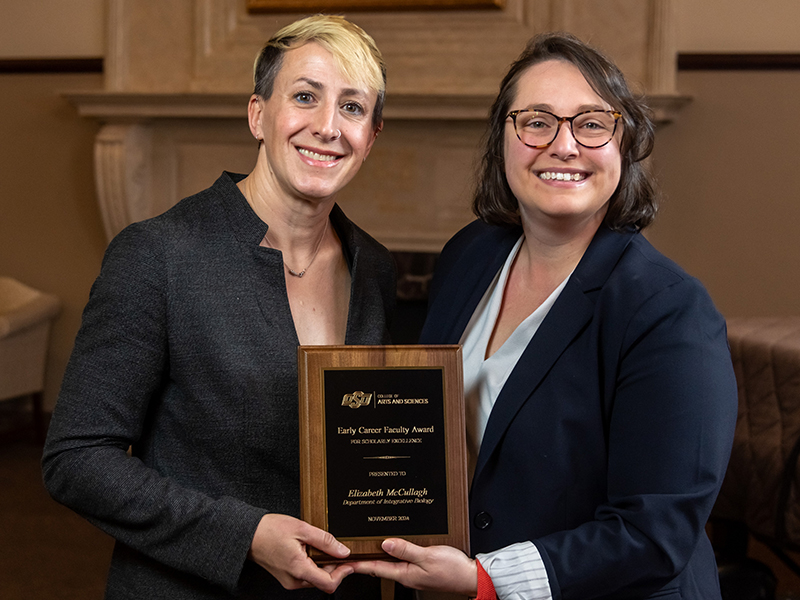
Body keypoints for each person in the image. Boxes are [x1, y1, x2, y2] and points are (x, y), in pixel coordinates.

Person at [351, 32, 738, 600]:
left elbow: (654, 531)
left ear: (623, 143)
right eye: (536, 121)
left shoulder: (669, 311)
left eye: (591, 123)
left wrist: (486, 579)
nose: (563, 146)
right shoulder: (470, 256)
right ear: (502, 139)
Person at [42, 15, 394, 599]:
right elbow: (76, 459)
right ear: (258, 115)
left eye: (353, 108)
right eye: (305, 97)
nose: (328, 127)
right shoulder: (158, 254)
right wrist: (245, 533)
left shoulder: (376, 269)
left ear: (372, 135)